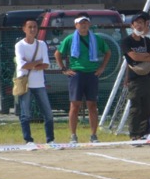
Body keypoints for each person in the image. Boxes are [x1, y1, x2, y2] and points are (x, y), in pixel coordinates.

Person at [55, 15, 112, 144]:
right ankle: (73, 135)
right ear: (76, 25)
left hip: (92, 74)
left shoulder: (96, 38)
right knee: (75, 105)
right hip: (76, 74)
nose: (84, 25)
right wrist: (64, 69)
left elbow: (108, 52)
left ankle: (93, 135)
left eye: (86, 23)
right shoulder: (70, 39)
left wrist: (102, 67)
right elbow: (58, 54)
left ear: (89, 25)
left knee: (92, 105)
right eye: (81, 23)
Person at [15, 18, 54, 146]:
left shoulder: (41, 44)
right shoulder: (19, 45)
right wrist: (37, 62)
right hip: (25, 83)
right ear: (24, 29)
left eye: (35, 27)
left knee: (48, 112)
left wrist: (32, 64)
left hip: (39, 83)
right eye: (30, 27)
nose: (32, 30)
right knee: (25, 113)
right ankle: (28, 140)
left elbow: (46, 64)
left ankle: (50, 139)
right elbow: (22, 65)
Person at [121, 12, 150, 141]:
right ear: (132, 25)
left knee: (148, 107)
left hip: (148, 77)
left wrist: (143, 57)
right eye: (137, 23)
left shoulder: (147, 40)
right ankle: (134, 134)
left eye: (142, 23)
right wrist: (146, 56)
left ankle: (143, 133)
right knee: (135, 107)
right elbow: (133, 57)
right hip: (135, 78)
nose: (139, 25)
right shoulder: (127, 41)